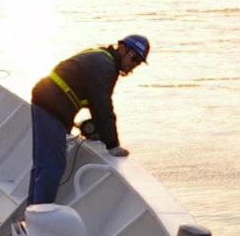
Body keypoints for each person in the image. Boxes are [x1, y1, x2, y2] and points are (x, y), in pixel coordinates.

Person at [28, 34, 149, 205]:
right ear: (122, 49)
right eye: (134, 58)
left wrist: (98, 130)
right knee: (52, 166)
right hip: (51, 107)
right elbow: (102, 106)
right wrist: (112, 144)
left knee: (43, 165)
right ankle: (38, 217)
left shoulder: (103, 59)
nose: (133, 65)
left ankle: (32, 212)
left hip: (46, 102)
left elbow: (95, 101)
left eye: (138, 62)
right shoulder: (104, 66)